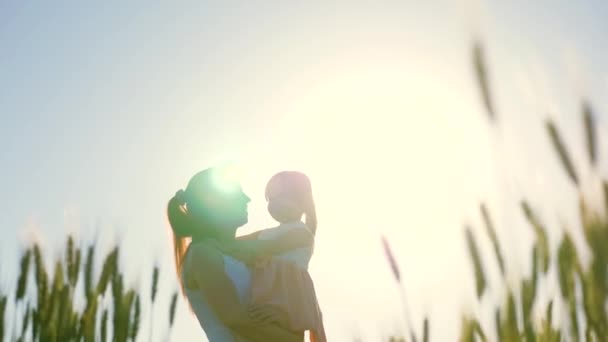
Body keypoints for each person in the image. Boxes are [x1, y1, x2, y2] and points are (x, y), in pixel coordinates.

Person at [167, 166, 305, 342]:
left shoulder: (233, 253)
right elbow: (237, 321)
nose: (247, 199)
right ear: (214, 202)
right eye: (238, 194)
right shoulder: (202, 253)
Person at [221, 171, 326, 341]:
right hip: (265, 297)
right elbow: (235, 243)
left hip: (288, 302)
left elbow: (262, 248)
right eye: (271, 199)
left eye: (280, 197)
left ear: (301, 200)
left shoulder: (301, 233)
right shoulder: (270, 233)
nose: (274, 204)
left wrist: (231, 248)